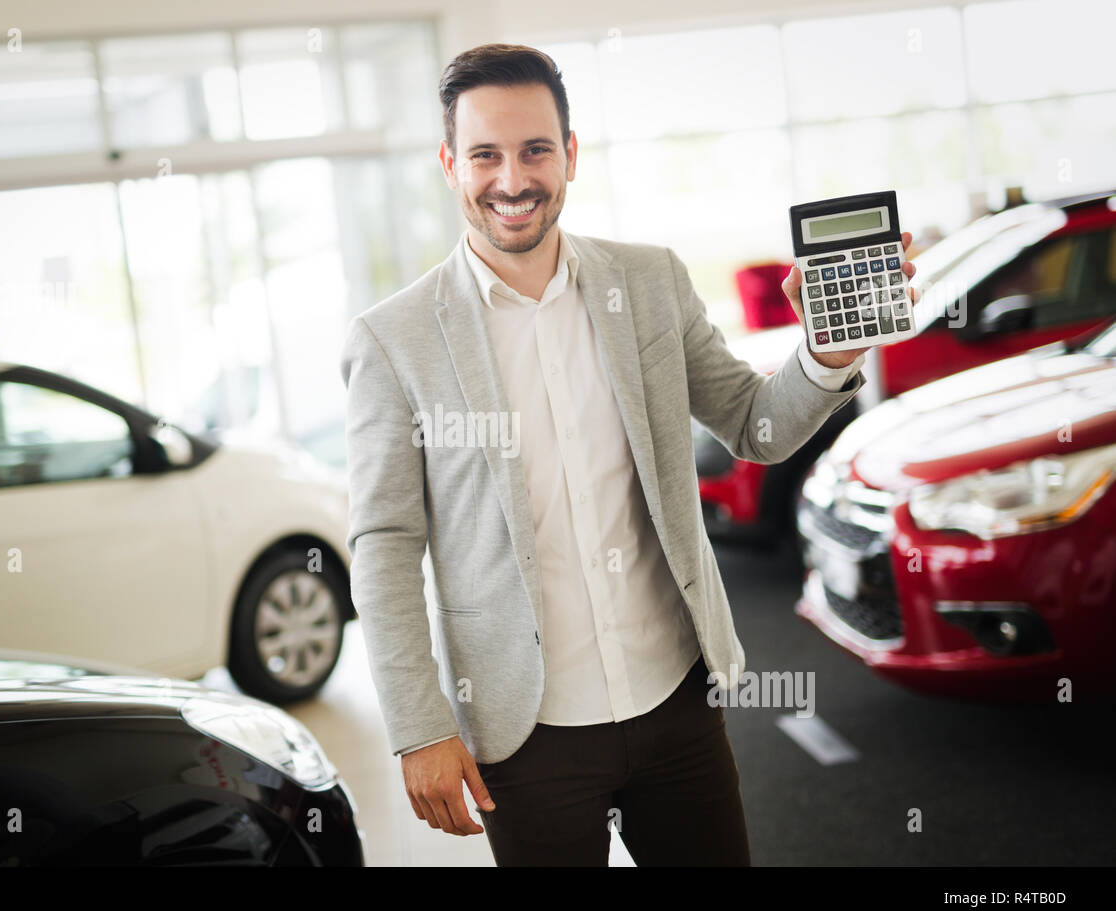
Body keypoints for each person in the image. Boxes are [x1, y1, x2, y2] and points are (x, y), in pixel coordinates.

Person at [339, 43, 920, 866]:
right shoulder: (392, 341)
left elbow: (756, 425)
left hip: (675, 703)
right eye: (486, 155)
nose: (513, 179)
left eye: (536, 149)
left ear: (570, 155)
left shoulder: (648, 283)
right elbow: (385, 545)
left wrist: (828, 350)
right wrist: (420, 723)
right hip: (525, 730)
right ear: (449, 164)